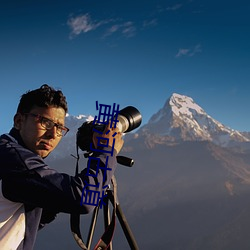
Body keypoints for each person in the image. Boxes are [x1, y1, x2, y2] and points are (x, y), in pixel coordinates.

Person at [0, 84, 124, 250]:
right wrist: (107, 152)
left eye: (59, 128)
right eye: (45, 122)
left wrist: (54, 197)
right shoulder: (14, 159)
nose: (53, 134)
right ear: (19, 121)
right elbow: (84, 199)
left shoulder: (11, 154)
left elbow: (23, 224)